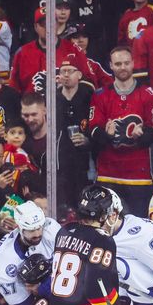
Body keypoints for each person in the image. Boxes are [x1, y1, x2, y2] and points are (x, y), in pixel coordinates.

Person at [88, 46, 153, 217]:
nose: (123, 67)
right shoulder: (100, 96)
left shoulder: (148, 95)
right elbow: (93, 130)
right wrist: (107, 136)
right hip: (108, 174)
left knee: (138, 225)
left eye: (126, 63)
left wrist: (141, 135)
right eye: (118, 63)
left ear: (133, 63)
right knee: (108, 226)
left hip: (139, 175)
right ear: (111, 66)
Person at [9, 6, 92, 94]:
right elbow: (13, 90)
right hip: (32, 106)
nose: (48, 28)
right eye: (43, 24)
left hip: (65, 106)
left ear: (57, 24)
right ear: (35, 27)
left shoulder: (74, 50)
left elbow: (89, 82)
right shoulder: (22, 53)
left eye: (51, 23)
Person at [56, 52, 94, 204]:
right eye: (62, 71)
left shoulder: (89, 95)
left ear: (79, 74)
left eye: (70, 71)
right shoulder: (53, 97)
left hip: (84, 160)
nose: (66, 75)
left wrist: (87, 140)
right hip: (61, 159)